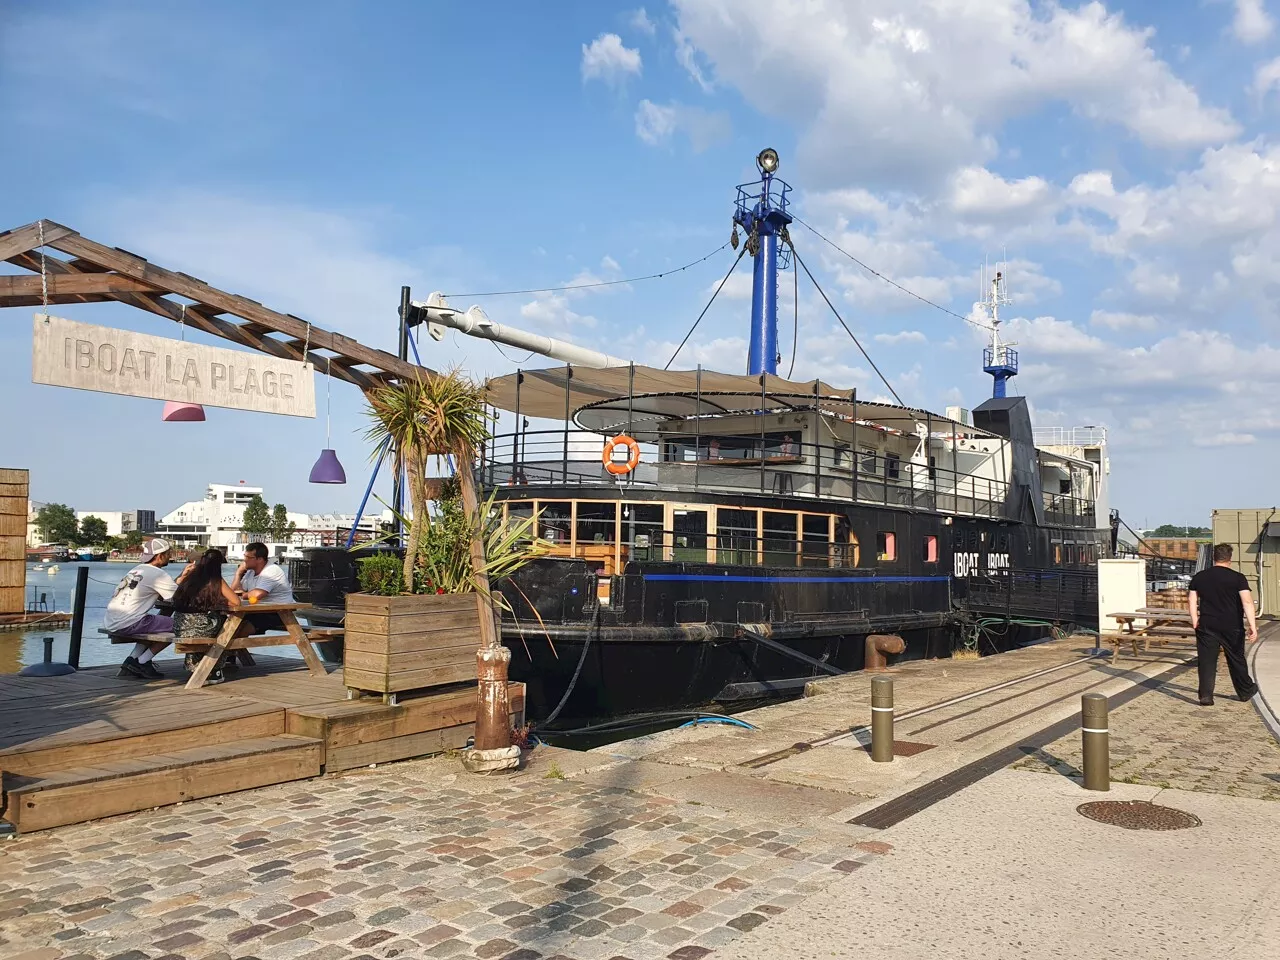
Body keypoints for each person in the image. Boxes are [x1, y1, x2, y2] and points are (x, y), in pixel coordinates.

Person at [1188, 543, 1260, 706]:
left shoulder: (1200, 576)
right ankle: (1245, 691)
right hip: (1231, 625)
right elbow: (1247, 602)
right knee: (1236, 659)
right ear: (1230, 558)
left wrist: (1195, 620)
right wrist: (1253, 626)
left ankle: (1206, 696)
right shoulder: (1238, 578)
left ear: (1214, 557)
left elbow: (1192, 600)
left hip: (1207, 624)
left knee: (1206, 661)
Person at [103, 538, 184, 680]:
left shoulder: (136, 570)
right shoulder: (158, 574)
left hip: (112, 621)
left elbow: (163, 596)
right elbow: (179, 598)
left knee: (155, 627)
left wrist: (182, 577)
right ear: (160, 556)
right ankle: (143, 661)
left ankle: (132, 659)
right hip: (130, 622)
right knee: (181, 626)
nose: (170, 556)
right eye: (168, 553)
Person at [172, 547, 241, 685]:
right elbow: (236, 602)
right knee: (226, 625)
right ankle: (215, 668)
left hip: (179, 624)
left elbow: (177, 588)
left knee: (211, 623)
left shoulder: (190, 577)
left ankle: (197, 665)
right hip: (199, 627)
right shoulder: (215, 580)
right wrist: (220, 599)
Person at [231, 541, 295, 631]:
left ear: (260, 559)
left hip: (279, 613)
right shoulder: (250, 572)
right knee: (227, 621)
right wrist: (238, 573)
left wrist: (242, 595)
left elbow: (257, 594)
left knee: (241, 628)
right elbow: (234, 591)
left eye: (248, 557)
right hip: (258, 611)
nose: (244, 560)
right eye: (245, 556)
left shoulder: (271, 570)